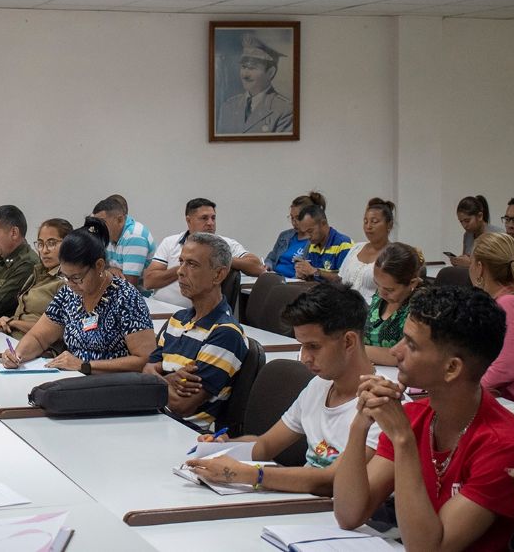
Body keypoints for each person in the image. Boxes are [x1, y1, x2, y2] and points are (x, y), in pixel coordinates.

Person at [334, 285, 514, 552]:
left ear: (452, 368)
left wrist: (403, 441)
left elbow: (428, 549)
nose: (396, 351)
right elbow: (348, 514)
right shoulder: (414, 416)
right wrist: (360, 424)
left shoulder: (506, 443)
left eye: (411, 344)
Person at [186, 283, 380, 496]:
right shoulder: (319, 385)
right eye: (301, 345)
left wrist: (251, 474)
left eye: (313, 346)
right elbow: (265, 445)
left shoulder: (381, 405)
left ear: (349, 341)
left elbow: (332, 480)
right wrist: (224, 446)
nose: (305, 358)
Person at [0, 217, 155, 373]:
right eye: (66, 277)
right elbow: (39, 337)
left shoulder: (126, 297)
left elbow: (145, 359)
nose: (71, 284)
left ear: (99, 266)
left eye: (77, 278)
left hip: (113, 385)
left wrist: (85, 365)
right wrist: (17, 355)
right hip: (73, 380)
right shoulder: (68, 294)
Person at [143, 232, 248, 429]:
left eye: (192, 264)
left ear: (219, 274)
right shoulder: (176, 320)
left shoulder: (226, 333)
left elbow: (182, 405)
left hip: (182, 433)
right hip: (155, 419)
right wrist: (169, 379)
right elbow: (146, 369)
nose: (180, 272)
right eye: (181, 262)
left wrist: (158, 378)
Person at [145, 198, 264, 308]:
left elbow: (257, 267)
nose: (210, 223)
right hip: (159, 307)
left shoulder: (225, 244)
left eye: (213, 218)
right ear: (188, 220)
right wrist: (186, 266)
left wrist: (216, 258)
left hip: (195, 314)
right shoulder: (170, 242)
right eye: (204, 218)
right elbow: (149, 281)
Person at [0, 218, 72, 341]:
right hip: (14, 339)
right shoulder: (38, 272)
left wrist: (13, 323)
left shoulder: (68, 282)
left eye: (51, 243)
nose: (44, 251)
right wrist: (4, 320)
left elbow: (61, 331)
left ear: (69, 245)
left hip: (42, 349)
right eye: (40, 244)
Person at [471, 232, 514, 402]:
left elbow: (506, 368)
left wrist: (465, 392)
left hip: (512, 402)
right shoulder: (504, 299)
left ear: (479, 267)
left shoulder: (509, 303)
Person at [216, 33, 293, 135]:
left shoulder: (285, 110)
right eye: (243, 67)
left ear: (270, 72)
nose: (245, 75)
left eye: (252, 68)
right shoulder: (228, 107)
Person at [363, 242, 423, 366]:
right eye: (377, 284)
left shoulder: (421, 306)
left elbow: (409, 354)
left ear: (412, 283)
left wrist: (359, 350)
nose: (380, 293)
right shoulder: (381, 297)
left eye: (390, 290)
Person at [91, 197, 155, 291]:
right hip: (117, 293)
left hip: (144, 298)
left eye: (102, 222)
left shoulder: (134, 236)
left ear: (120, 220)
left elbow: (129, 286)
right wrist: (108, 270)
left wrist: (105, 272)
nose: (98, 227)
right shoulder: (108, 234)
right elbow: (91, 269)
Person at [338, 198, 395, 302]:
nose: (368, 226)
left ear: (389, 225)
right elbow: (340, 279)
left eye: (374, 222)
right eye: (365, 222)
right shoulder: (356, 248)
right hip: (345, 309)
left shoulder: (394, 254)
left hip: (372, 313)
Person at [265, 191, 325, 278]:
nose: (294, 222)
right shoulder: (284, 236)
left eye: (297, 218)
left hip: (293, 283)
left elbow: (309, 272)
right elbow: (271, 258)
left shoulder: (314, 241)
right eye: (291, 218)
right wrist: (267, 266)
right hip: (275, 278)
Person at [293, 205, 354, 282]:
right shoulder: (312, 245)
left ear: (323, 223)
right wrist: (304, 274)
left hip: (335, 293)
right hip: (315, 291)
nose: (307, 236)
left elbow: (345, 280)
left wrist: (315, 272)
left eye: (310, 231)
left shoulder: (343, 244)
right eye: (304, 233)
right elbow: (313, 277)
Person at [450, 195, 502, 267]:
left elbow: (501, 268)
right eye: (461, 222)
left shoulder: (498, 235)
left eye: (467, 221)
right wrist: (459, 261)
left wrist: (471, 264)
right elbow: (466, 258)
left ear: (480, 216)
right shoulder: (467, 235)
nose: (464, 226)